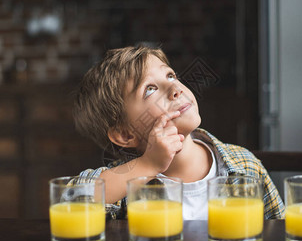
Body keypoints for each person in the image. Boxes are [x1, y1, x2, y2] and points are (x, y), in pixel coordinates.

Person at [72, 45, 285, 220]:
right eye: (150, 89)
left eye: (171, 76)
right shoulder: (123, 184)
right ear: (125, 135)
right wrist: (148, 165)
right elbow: (72, 201)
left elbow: (279, 237)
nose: (175, 89)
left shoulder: (245, 166)